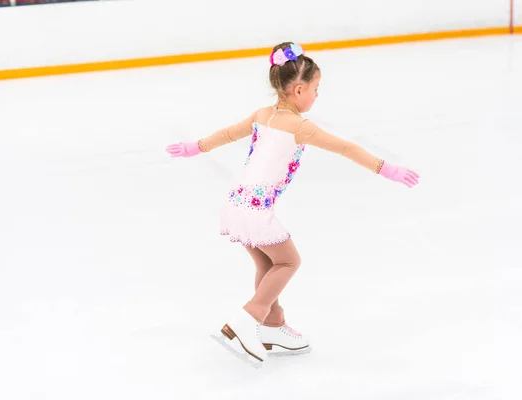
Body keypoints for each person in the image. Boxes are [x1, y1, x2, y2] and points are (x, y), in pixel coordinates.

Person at [165, 41, 420, 366]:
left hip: (235, 204)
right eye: (316, 88)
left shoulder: (261, 114)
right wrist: (387, 169)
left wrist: (195, 147)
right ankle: (249, 317)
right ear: (298, 90)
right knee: (289, 262)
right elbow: (345, 148)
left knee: (266, 265)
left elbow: (229, 134)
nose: (317, 94)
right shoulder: (300, 126)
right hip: (256, 211)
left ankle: (273, 325)